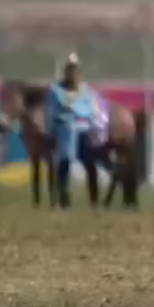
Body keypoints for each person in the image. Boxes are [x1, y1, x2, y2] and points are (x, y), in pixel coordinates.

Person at [46, 53, 106, 210]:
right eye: (69, 69)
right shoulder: (55, 91)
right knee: (64, 165)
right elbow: (51, 112)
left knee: (90, 165)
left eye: (75, 69)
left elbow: (90, 111)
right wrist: (60, 119)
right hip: (65, 132)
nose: (72, 73)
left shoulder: (85, 90)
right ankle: (64, 200)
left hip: (82, 132)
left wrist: (76, 111)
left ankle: (94, 201)